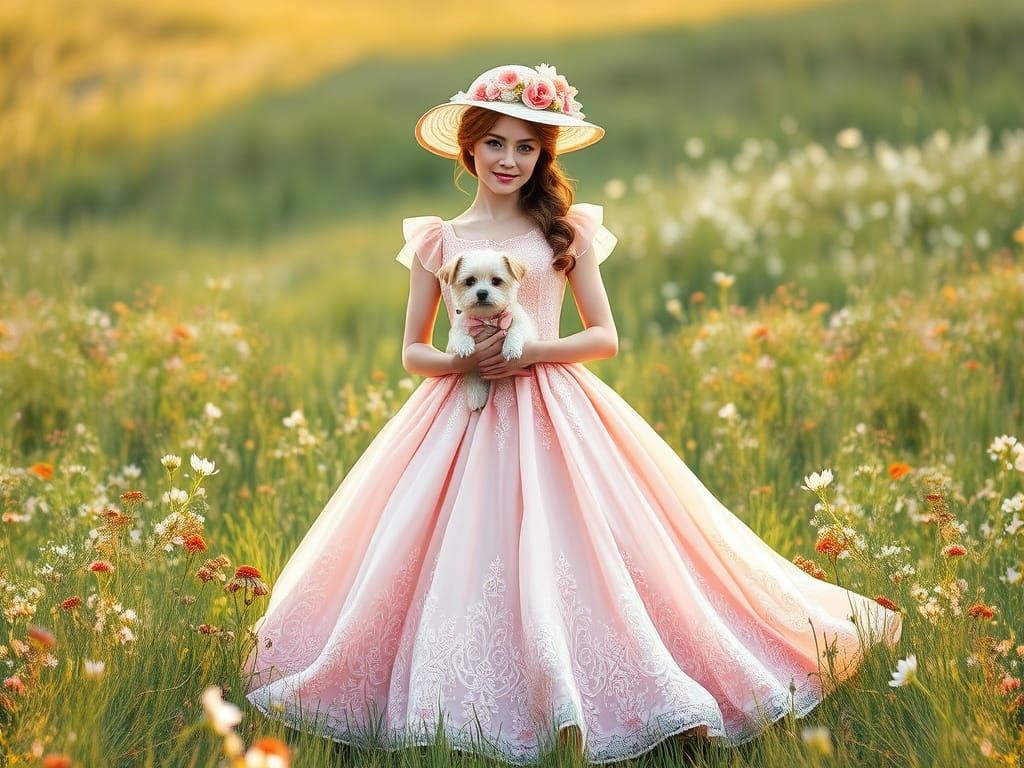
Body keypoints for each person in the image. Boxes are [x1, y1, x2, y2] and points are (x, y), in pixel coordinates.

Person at [242, 63, 902, 765]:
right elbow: (412, 351)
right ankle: (449, 699)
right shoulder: (440, 240)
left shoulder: (563, 233)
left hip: (556, 405)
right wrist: (467, 361)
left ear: (543, 156)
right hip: (456, 417)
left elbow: (605, 337)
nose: (509, 160)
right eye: (495, 143)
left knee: (595, 547)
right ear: (469, 149)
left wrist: (529, 356)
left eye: (526, 147)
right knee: (447, 551)